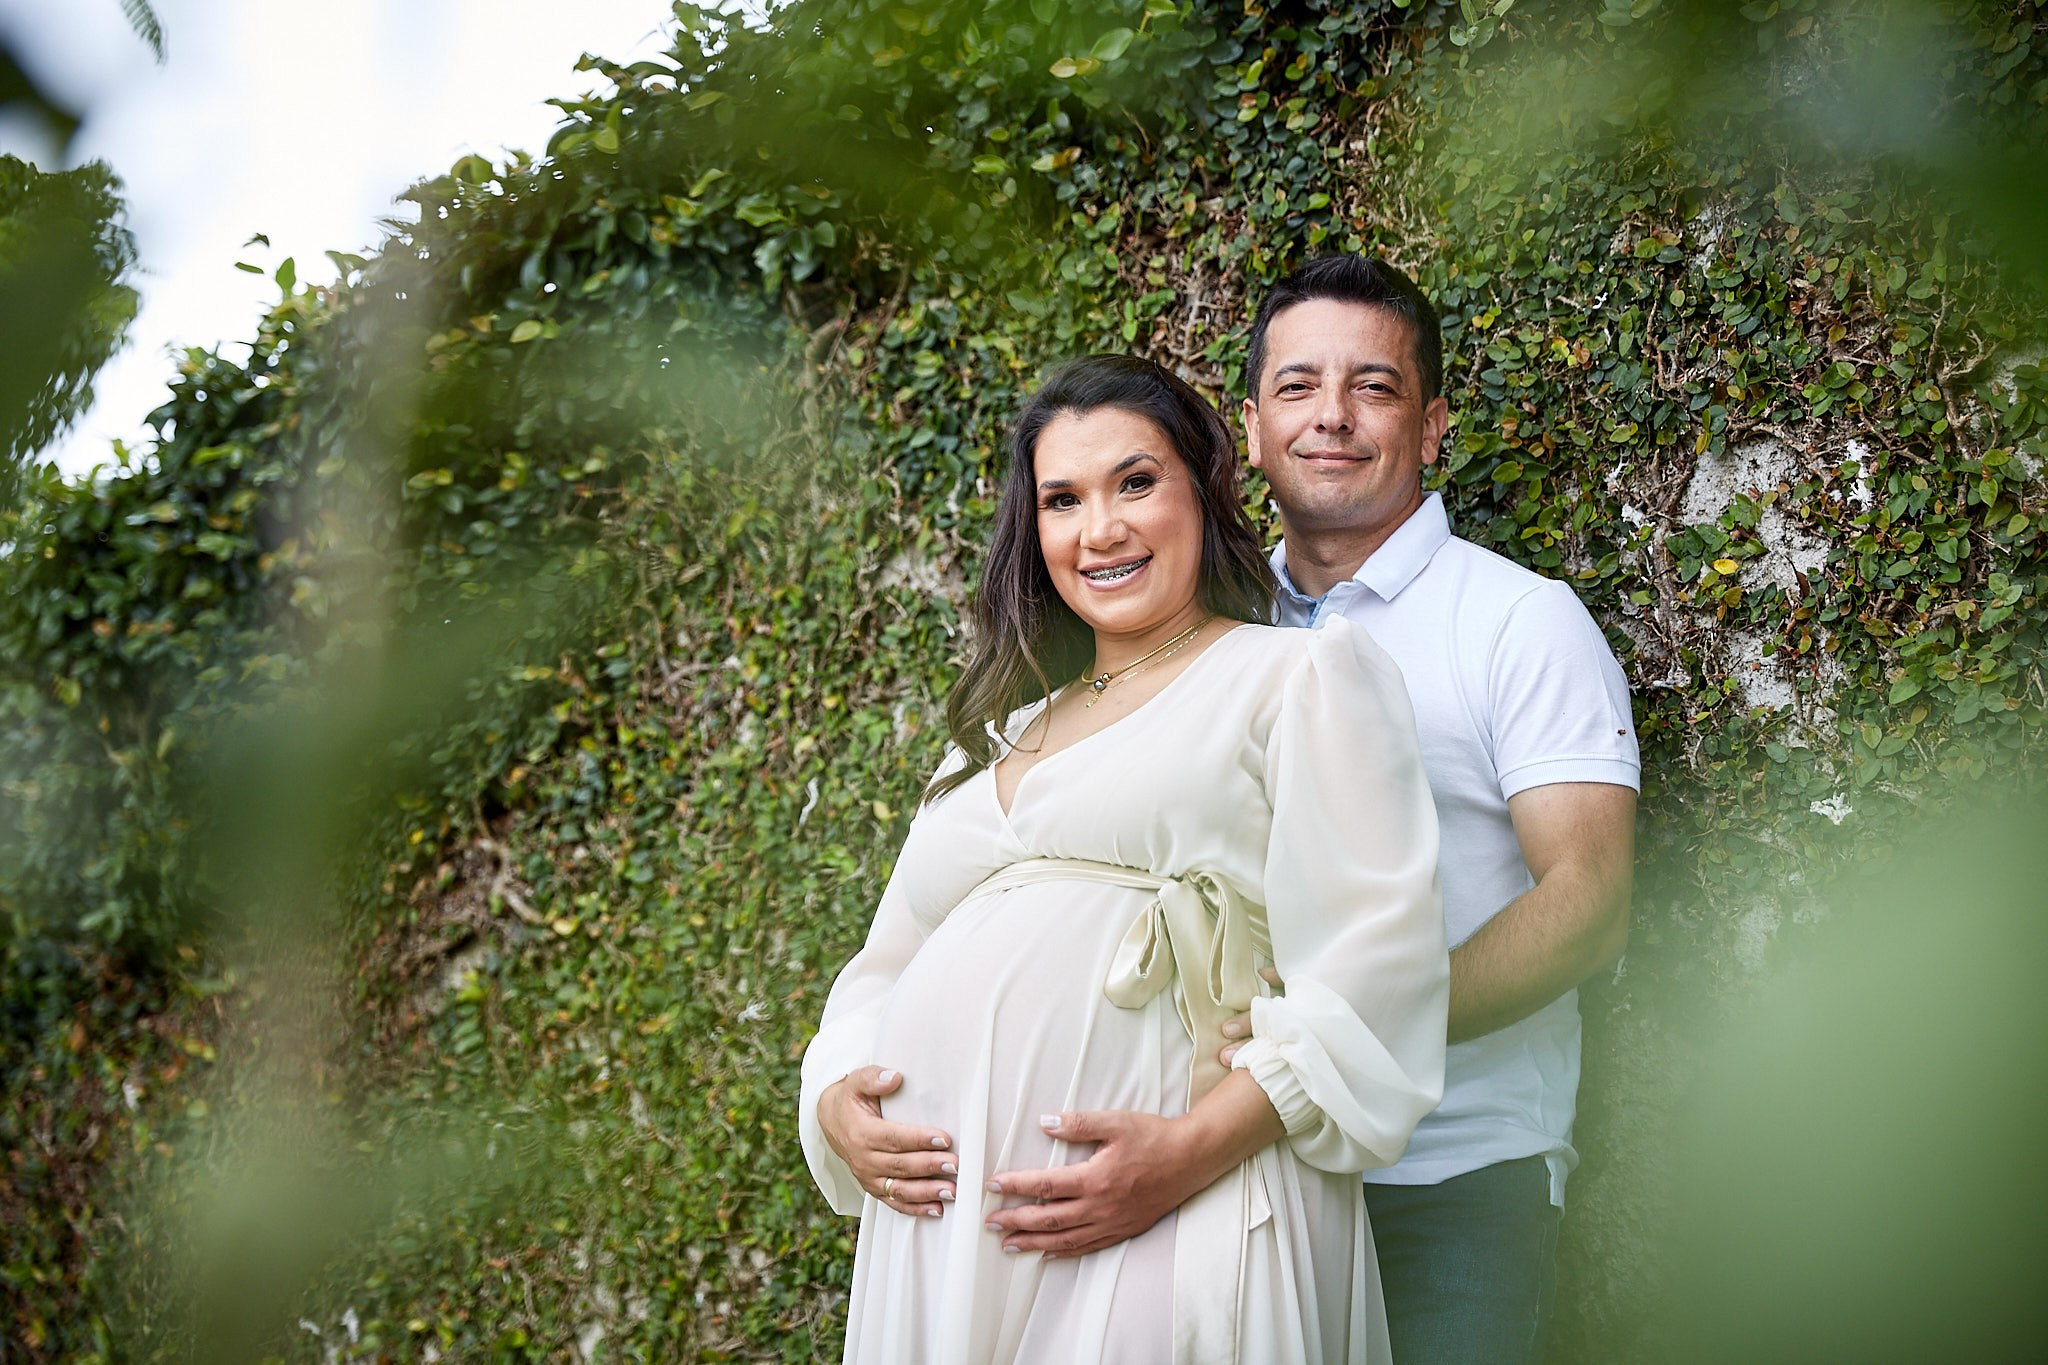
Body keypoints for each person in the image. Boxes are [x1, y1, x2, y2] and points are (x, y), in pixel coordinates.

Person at [799, 354, 1448, 1363]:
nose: (1098, 529)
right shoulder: (991, 737)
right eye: (1062, 499)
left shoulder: (1296, 675)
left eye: (1134, 483)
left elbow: (1380, 964)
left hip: (1180, 1191)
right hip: (945, 1227)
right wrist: (838, 1094)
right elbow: (883, 966)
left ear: (1203, 485)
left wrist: (1186, 1153)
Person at [1230, 254, 1642, 1362]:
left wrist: (1348, 1033)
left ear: (1431, 424)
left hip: (1451, 1178)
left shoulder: (1518, 621)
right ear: (1253, 427)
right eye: (1296, 387)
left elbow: (1589, 899)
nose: (1331, 417)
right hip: (1244, 1175)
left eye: (1374, 386)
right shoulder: (1213, 631)